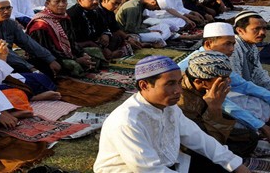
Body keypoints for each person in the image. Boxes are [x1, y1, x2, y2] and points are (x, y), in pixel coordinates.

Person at [94, 55, 250, 173]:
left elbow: (199, 138)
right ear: (144, 85)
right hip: (129, 170)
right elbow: (148, 169)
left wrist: (236, 165)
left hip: (170, 163)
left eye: (178, 82)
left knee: (224, 167)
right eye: (170, 84)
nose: (179, 90)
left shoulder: (169, 107)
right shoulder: (128, 121)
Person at [26, 0, 107, 77]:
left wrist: (82, 54)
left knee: (94, 52)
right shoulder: (40, 24)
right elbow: (46, 50)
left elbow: (71, 42)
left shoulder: (64, 18)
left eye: (64, 1)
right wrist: (76, 59)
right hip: (48, 58)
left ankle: (86, 66)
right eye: (57, 2)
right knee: (72, 65)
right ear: (47, 3)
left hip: (66, 53)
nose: (61, 5)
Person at [0, 0, 61, 77]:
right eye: (1, 9)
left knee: (45, 65)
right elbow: (4, 52)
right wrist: (30, 68)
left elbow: (27, 42)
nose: (6, 11)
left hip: (12, 60)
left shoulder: (10, 23)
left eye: (8, 8)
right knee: (28, 73)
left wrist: (50, 59)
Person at [231, 11, 270, 95]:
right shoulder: (233, 49)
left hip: (249, 87)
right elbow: (237, 84)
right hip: (236, 94)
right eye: (256, 29)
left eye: (264, 28)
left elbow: (259, 75)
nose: (262, 33)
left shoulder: (252, 46)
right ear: (240, 30)